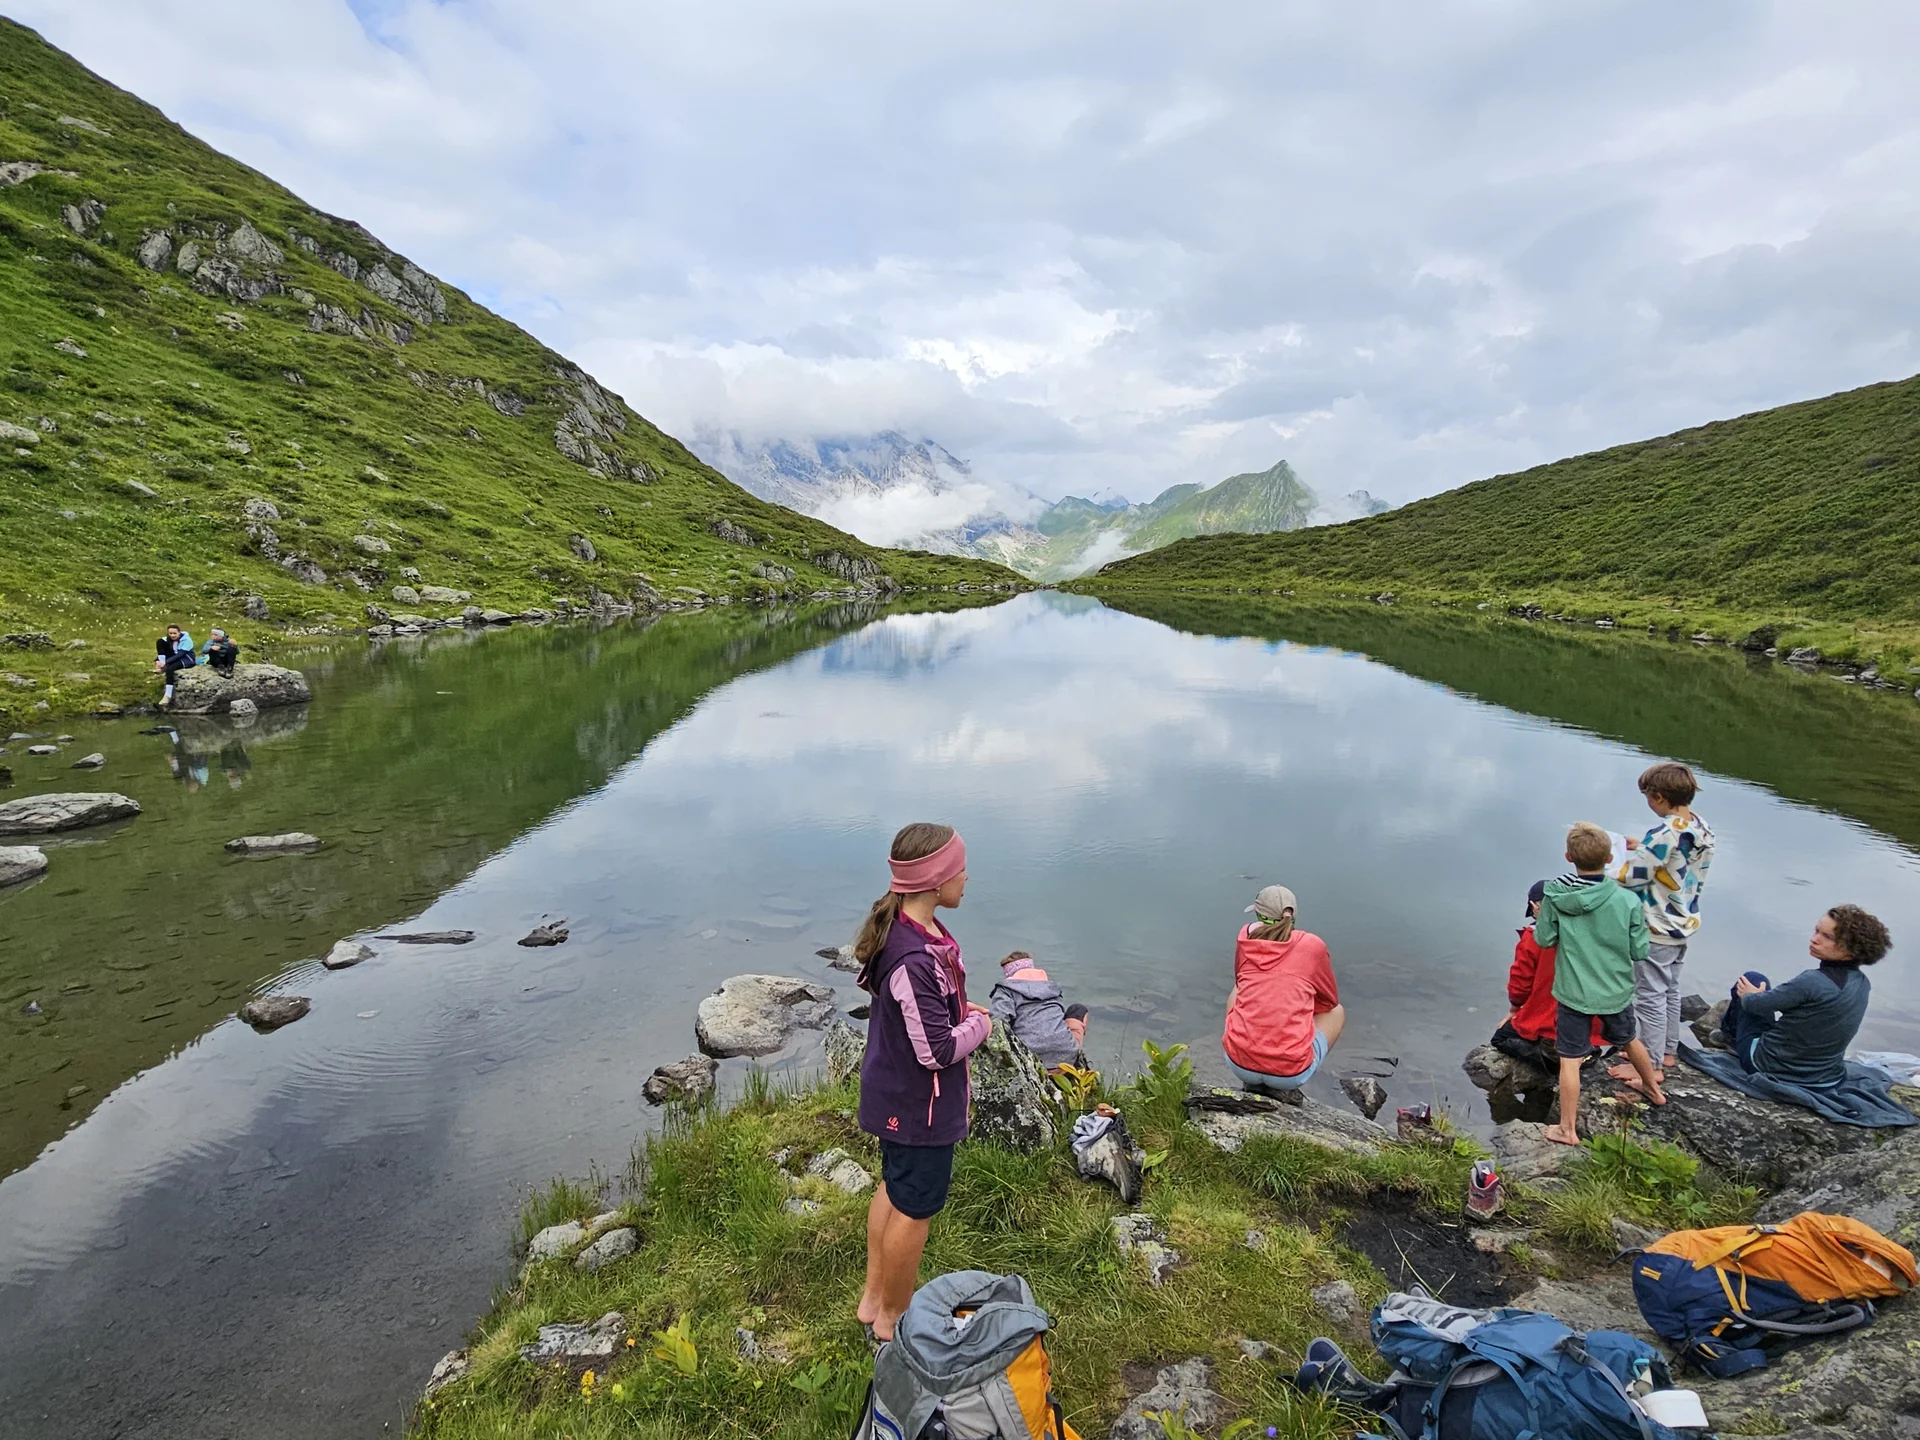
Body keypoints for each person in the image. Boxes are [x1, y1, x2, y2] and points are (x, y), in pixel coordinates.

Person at [853, 822, 990, 1342]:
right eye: (959, 869)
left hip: (897, 1099)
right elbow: (934, 1051)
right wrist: (979, 1025)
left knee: (894, 1186)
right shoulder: (912, 957)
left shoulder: (911, 935)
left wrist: (957, 1009)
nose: (966, 877)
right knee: (915, 1207)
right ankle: (892, 1322)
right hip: (920, 1107)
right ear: (934, 881)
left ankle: (874, 1300)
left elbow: (923, 1012)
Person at [1537, 822, 1665, 1145]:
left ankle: (1567, 1129)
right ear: (1610, 858)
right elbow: (1639, 951)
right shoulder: (1628, 901)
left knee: (1570, 1059)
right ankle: (1652, 1088)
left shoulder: (1556, 896)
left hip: (1574, 993)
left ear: (1568, 857)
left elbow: (1544, 938)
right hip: (1616, 991)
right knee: (1629, 1039)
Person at [1611, 761, 1715, 1085]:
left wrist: (1604, 868)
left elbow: (1634, 878)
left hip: (1656, 925)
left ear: (1658, 796)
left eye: (1647, 797)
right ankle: (1667, 1050)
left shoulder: (1664, 832)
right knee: (1669, 988)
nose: (1647, 803)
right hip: (1683, 923)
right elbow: (1672, 860)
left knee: (1649, 994)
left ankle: (1651, 1065)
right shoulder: (1699, 825)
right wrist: (1639, 847)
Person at [1720, 905, 1891, 1087]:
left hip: (1771, 1067)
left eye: (1827, 937)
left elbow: (1754, 1005)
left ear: (1852, 950)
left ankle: (1730, 1038)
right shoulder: (1863, 984)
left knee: (1753, 978)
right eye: (1817, 931)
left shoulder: (1812, 981)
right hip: (1827, 1078)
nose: (1814, 939)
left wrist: (1749, 995)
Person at [1222, 884, 1344, 1096]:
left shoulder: (1245, 938)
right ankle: (1284, 1085)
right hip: (1290, 1075)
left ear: (1258, 914)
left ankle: (1252, 1076)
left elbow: (1243, 983)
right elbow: (1328, 1002)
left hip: (1239, 1065)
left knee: (1238, 989)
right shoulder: (1313, 946)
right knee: (1337, 1012)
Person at [1489, 879, 1598, 1074]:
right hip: (1584, 1018)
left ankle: (1552, 1064)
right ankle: (1585, 1050)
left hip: (1550, 1019)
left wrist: (1515, 1010)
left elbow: (1520, 983)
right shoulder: (1587, 931)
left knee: (1500, 1039)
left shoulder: (1534, 937)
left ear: (1535, 907)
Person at [989, 951, 1089, 1071]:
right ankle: (1075, 1065)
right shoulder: (1051, 987)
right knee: (1078, 1010)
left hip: (1030, 1058)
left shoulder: (1005, 990)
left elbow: (999, 1022)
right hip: (1066, 1059)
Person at [153, 624, 196, 707]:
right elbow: (162, 645)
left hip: (185, 659)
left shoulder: (186, 640)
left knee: (170, 669)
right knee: (160, 641)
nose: (172, 635)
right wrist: (159, 660)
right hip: (174, 657)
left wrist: (166, 662)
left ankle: (167, 695)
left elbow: (180, 654)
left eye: (174, 633)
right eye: (170, 633)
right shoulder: (169, 639)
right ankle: (162, 667)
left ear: (179, 633)